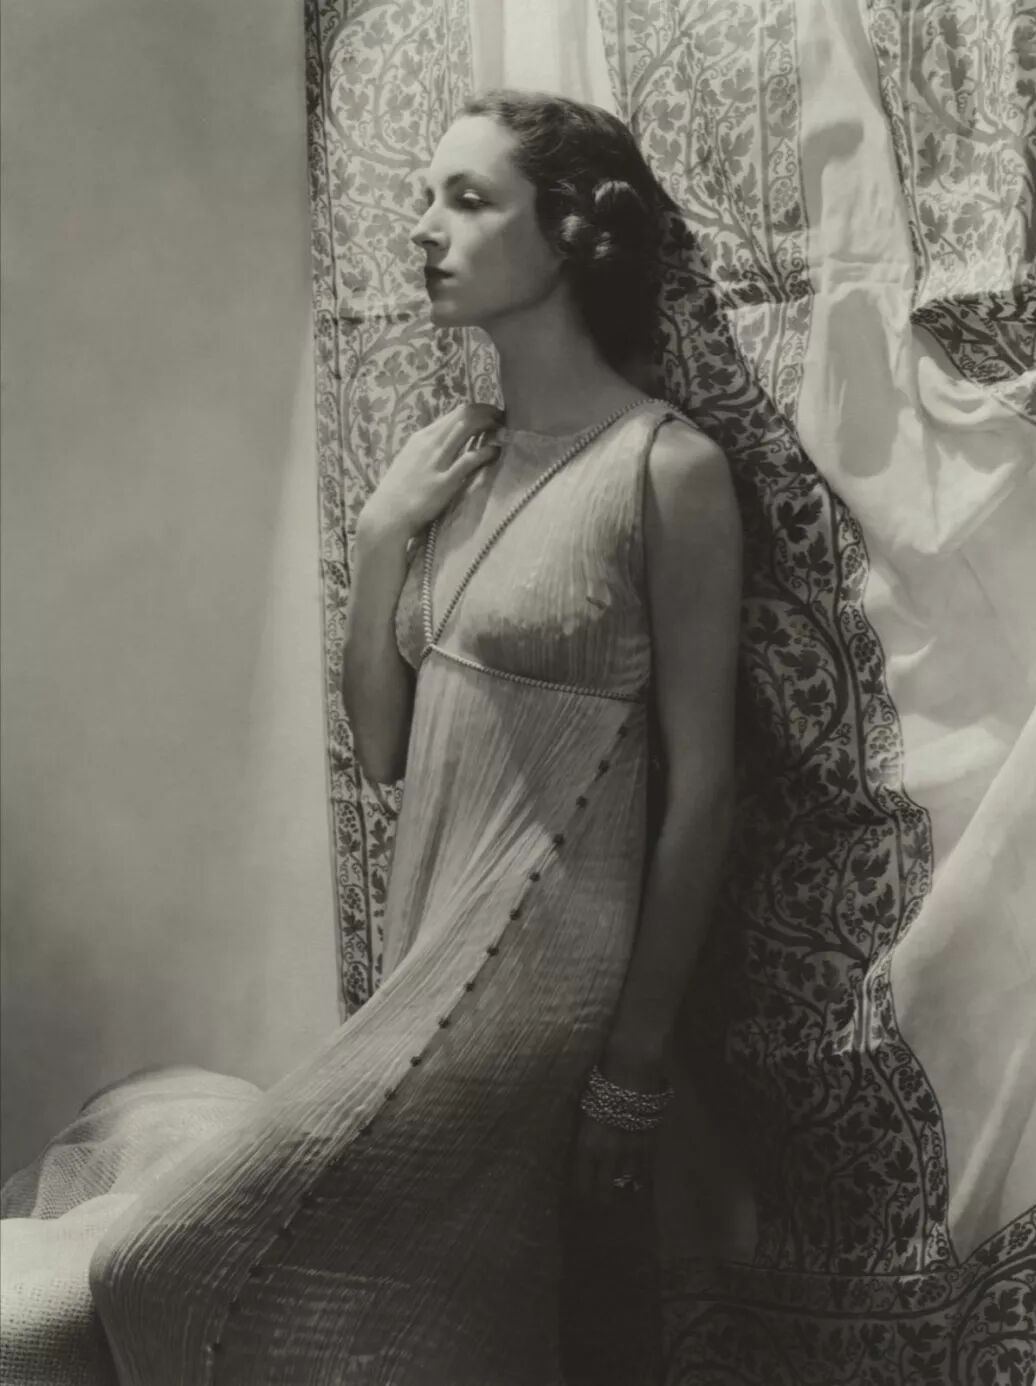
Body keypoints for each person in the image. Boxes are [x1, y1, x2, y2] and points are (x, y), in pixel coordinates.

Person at [6, 91, 742, 1385]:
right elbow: (388, 742)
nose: (424, 227)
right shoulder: (452, 462)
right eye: (424, 195)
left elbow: (705, 789)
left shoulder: (664, 470)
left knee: (157, 1266)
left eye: (469, 199)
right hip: (424, 953)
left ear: (573, 231)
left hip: (540, 991)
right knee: (401, 1310)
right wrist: (380, 536)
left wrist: (632, 1065)